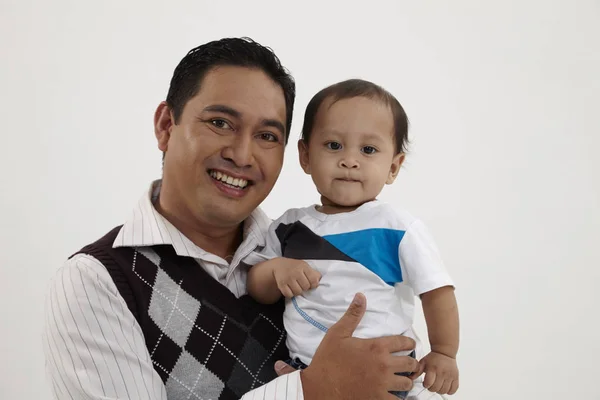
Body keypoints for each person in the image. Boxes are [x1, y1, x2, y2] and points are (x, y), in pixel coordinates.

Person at [42, 37, 420, 400]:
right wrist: (311, 390)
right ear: (165, 126)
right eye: (220, 123)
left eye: (268, 135)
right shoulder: (98, 282)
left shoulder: (311, 250)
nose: (242, 155)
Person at [246, 79, 460, 398]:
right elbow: (256, 288)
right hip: (308, 376)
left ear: (393, 167)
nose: (350, 160)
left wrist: (444, 352)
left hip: (387, 375)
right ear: (305, 155)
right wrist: (277, 269)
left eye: (368, 150)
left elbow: (436, 291)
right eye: (333, 145)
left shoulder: (397, 227)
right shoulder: (289, 226)